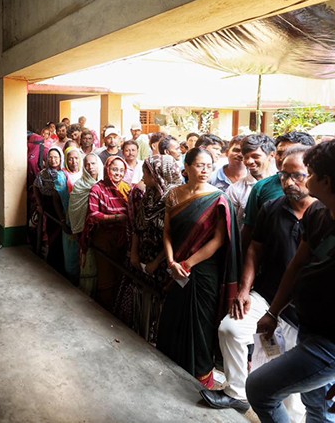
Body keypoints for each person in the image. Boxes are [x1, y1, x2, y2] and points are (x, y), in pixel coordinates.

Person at [246, 139, 335, 423]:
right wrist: (272, 312)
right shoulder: (319, 212)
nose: (307, 178)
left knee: (259, 389)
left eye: (311, 173)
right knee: (316, 404)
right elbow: (298, 265)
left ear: (327, 182)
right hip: (310, 328)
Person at [202, 147, 321, 417]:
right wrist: (244, 290)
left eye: (297, 176)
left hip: (303, 308)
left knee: (292, 380)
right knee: (230, 329)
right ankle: (236, 392)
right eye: (284, 176)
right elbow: (255, 249)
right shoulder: (272, 208)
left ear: (312, 175)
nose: (289, 182)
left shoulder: (324, 214)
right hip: (267, 294)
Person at [157, 147, 241, 390]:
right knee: (173, 318)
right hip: (176, 269)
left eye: (208, 165)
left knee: (201, 324)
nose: (205, 170)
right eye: (199, 165)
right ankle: (169, 365)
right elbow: (167, 232)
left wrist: (187, 263)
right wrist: (172, 262)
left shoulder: (218, 198)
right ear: (187, 167)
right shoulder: (174, 195)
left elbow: (218, 240)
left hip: (203, 271)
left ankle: (201, 375)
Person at [114, 155, 181, 342]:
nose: (142, 176)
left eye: (146, 172)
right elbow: (138, 225)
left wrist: (155, 262)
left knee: (157, 304)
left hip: (161, 262)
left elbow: (173, 237)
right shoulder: (150, 195)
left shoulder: (174, 199)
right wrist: (134, 253)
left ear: (158, 174)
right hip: (142, 256)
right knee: (140, 299)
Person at [242, 132, 315, 250]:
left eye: (291, 152)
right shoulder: (262, 189)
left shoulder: (325, 201)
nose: (283, 158)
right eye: (280, 153)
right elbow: (250, 235)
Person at [83, 156, 130, 311]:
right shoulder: (97, 189)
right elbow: (93, 215)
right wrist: (116, 217)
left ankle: (117, 310)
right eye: (114, 169)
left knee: (119, 275)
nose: (118, 173)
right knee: (106, 277)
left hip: (122, 239)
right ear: (107, 169)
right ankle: (105, 311)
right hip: (104, 239)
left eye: (121, 170)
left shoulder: (126, 188)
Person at [68, 153, 103, 294]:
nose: (90, 167)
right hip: (84, 231)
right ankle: (86, 293)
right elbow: (74, 211)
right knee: (87, 264)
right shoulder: (79, 186)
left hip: (101, 231)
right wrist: (78, 230)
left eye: (93, 163)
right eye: (87, 164)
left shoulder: (104, 184)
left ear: (99, 164)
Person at [226, 134, 277, 229]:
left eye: (255, 156)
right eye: (246, 157)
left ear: (271, 155)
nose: (249, 161)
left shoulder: (282, 183)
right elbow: (229, 225)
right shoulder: (235, 190)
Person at [33, 147, 66, 272]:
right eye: (50, 157)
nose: (53, 160)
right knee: (51, 231)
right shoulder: (43, 173)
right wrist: (39, 204)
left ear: (61, 158)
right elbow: (36, 187)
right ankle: (52, 260)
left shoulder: (64, 173)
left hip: (61, 205)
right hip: (49, 205)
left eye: (56, 157)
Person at [55, 146, 84, 283]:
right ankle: (71, 280)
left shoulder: (85, 173)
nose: (74, 162)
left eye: (76, 158)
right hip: (69, 219)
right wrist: (62, 219)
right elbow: (56, 199)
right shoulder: (61, 176)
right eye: (70, 159)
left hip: (84, 218)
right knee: (71, 252)